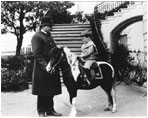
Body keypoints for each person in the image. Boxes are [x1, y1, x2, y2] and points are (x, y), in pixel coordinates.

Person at [31, 16, 62, 117]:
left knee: (51, 90)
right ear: (44, 26)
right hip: (42, 68)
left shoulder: (50, 36)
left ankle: (50, 110)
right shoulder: (37, 36)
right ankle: (41, 111)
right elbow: (37, 54)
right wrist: (46, 66)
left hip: (52, 66)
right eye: (50, 26)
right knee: (42, 90)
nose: (51, 28)